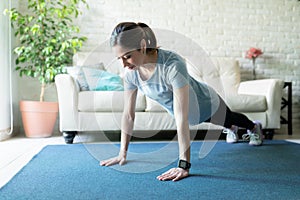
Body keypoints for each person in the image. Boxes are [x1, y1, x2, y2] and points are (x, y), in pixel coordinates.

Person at [100, 22, 263, 181]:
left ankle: (254, 127)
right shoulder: (131, 74)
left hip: (207, 104)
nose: (123, 64)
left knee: (229, 118)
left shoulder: (172, 64)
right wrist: (122, 152)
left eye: (127, 56)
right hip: (190, 114)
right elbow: (128, 115)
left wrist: (183, 165)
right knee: (227, 124)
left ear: (142, 46)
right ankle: (232, 129)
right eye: (119, 58)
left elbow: (181, 116)